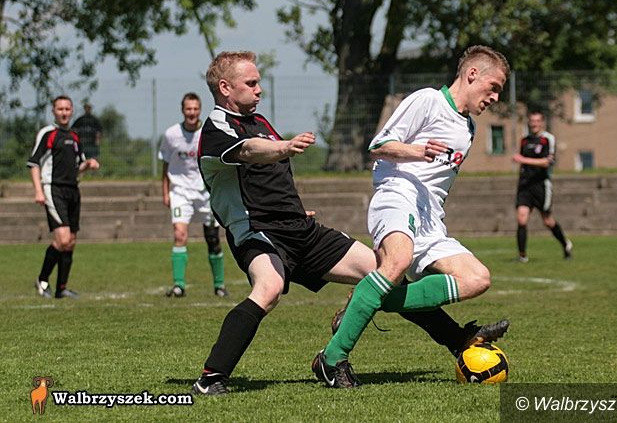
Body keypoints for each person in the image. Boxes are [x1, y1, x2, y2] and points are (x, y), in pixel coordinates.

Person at [191, 51, 508, 395]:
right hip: (257, 232)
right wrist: (285, 147)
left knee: (384, 274)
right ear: (225, 87)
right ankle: (211, 378)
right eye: (251, 83)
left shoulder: (261, 123)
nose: (259, 89)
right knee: (268, 290)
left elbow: (269, 180)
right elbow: (249, 151)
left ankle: (457, 339)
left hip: (300, 230)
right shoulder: (217, 127)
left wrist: (295, 208)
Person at [313, 45, 512, 388]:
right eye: (493, 87)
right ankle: (332, 359)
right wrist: (416, 151)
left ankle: (369, 298)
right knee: (397, 261)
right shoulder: (428, 101)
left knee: (477, 278)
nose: (495, 97)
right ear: (472, 74)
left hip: (431, 218)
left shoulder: (469, 128)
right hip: (398, 194)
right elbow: (378, 145)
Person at [28, 95, 100, 299]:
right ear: (53, 111)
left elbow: (78, 166)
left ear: (72, 111)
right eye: (60, 109)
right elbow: (34, 163)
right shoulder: (48, 133)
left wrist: (88, 164)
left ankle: (61, 288)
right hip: (54, 189)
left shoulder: (75, 136)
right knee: (63, 238)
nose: (64, 112)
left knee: (71, 241)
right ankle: (42, 280)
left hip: (73, 190)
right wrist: (38, 190)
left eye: (67, 109)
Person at [158, 92, 228, 298]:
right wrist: (165, 192)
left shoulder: (208, 133)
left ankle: (219, 285)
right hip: (180, 191)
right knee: (179, 235)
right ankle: (178, 286)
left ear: (200, 110)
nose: (192, 112)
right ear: (182, 110)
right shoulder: (171, 134)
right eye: (188, 109)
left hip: (206, 193)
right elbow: (165, 166)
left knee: (213, 239)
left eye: (195, 109)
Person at [512, 110, 573, 262]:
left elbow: (547, 162)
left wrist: (523, 160)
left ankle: (565, 244)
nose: (534, 124)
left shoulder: (548, 139)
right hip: (525, 185)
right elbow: (522, 162)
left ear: (542, 122)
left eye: (537, 121)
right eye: (532, 121)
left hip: (541, 185)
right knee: (521, 218)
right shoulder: (524, 140)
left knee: (547, 220)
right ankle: (522, 256)